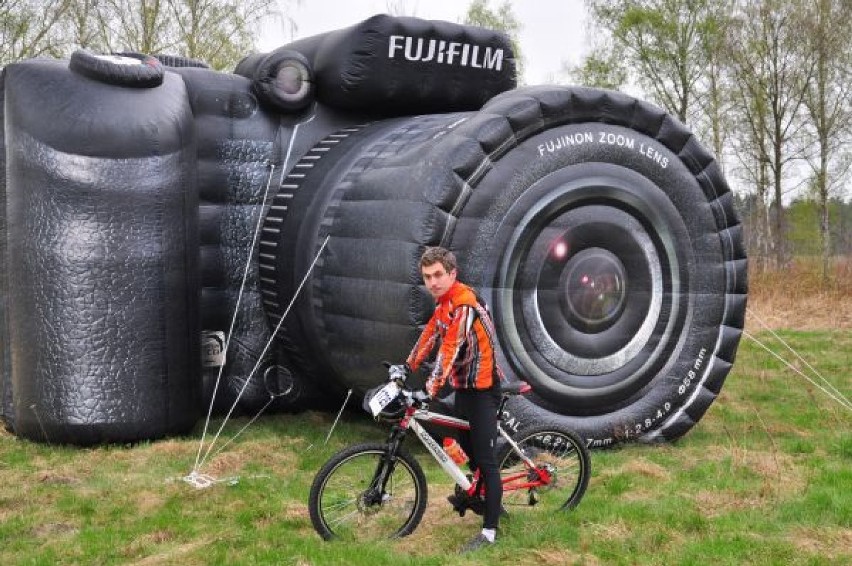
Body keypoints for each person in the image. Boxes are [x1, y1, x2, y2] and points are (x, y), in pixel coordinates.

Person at [404, 246, 504, 552]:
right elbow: (430, 336)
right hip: (464, 388)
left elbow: (448, 350)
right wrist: (405, 366)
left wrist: (429, 391)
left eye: (437, 275)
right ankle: (485, 499)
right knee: (470, 452)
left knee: (486, 461)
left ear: (452, 274)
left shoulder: (463, 305)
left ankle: (490, 532)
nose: (432, 282)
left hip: (484, 390)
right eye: (426, 277)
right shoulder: (443, 304)